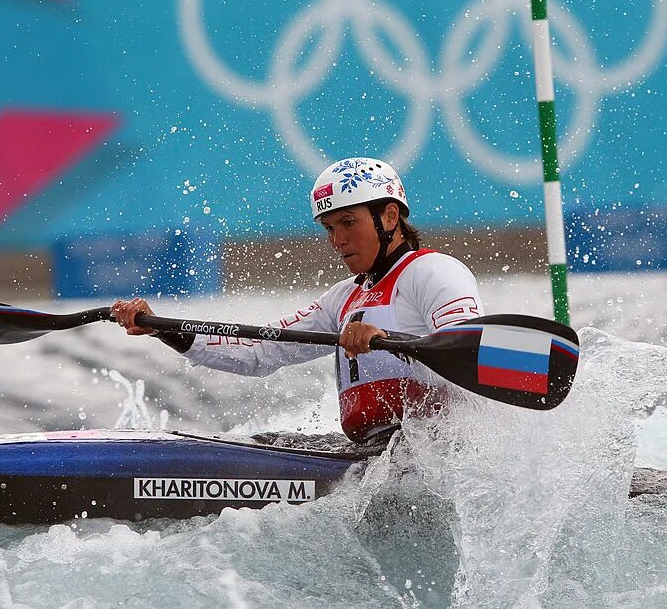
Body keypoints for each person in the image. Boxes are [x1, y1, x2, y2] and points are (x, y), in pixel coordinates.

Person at [111, 157, 485, 443]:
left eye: (348, 223)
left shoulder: (434, 272)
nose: (336, 240)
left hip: (438, 452)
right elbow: (259, 350)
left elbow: (470, 353)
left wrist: (388, 340)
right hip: (374, 454)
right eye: (329, 228)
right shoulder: (343, 298)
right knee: (258, 445)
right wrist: (160, 327)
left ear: (389, 217)